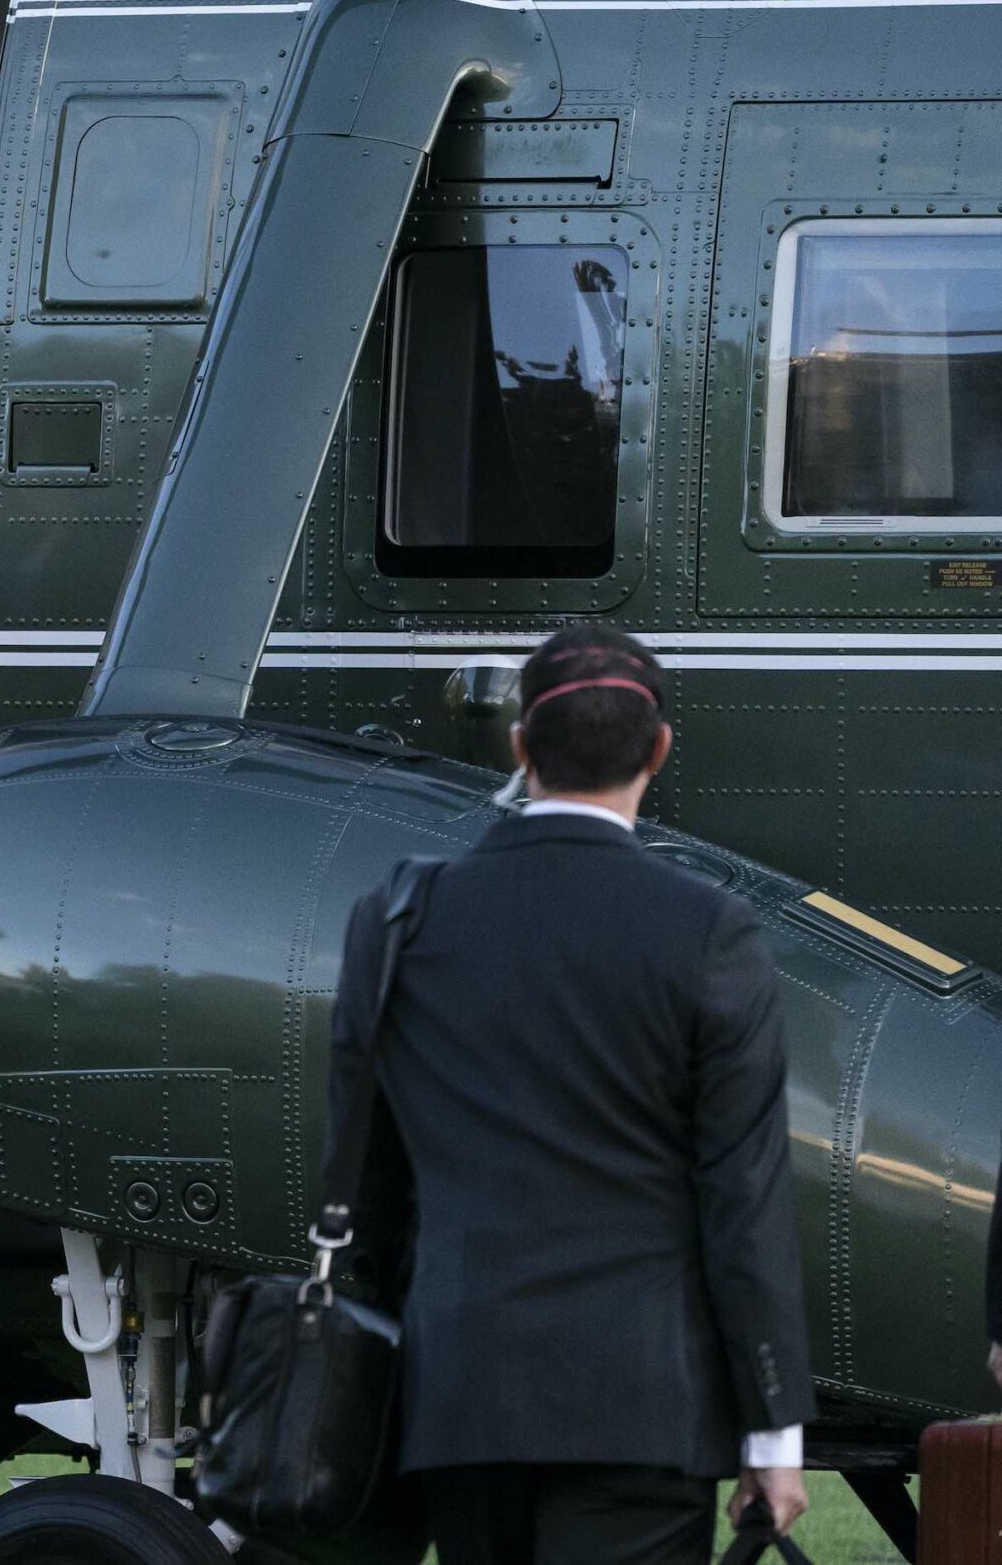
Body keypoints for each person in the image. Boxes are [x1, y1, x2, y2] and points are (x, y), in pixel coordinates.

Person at [330, 624, 814, 1565]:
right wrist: (773, 1432)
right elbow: (743, 1197)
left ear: (519, 746)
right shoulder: (709, 930)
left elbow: (365, 1175)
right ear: (659, 750)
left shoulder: (399, 916)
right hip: (641, 1407)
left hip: (462, 1401)